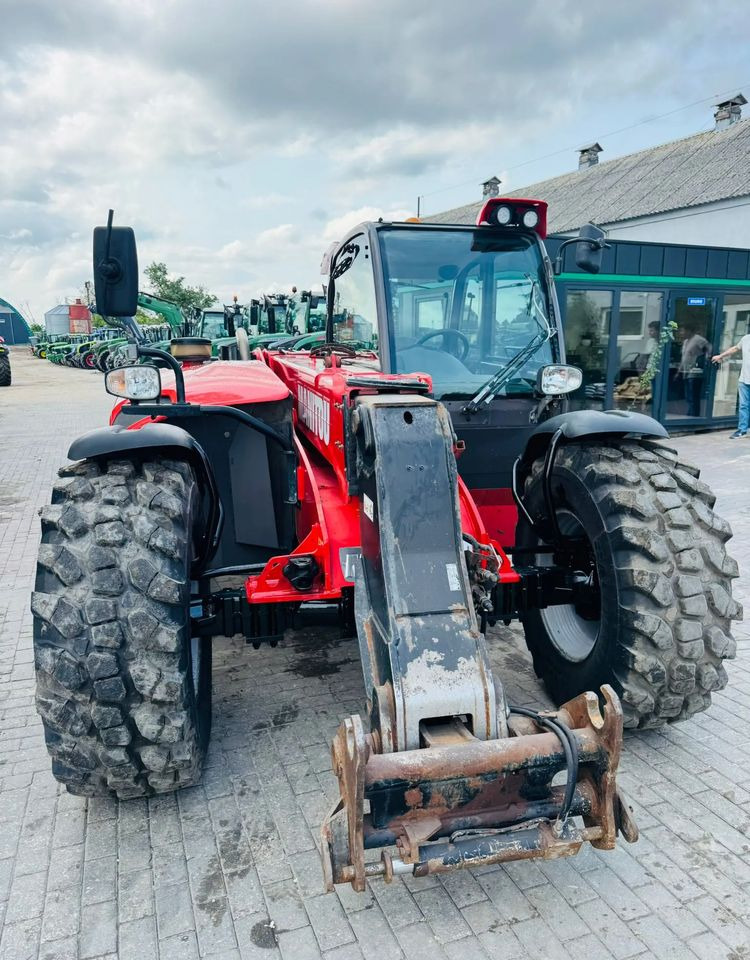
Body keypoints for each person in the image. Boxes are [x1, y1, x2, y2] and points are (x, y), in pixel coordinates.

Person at [712, 331, 750, 437]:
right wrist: (721, 356)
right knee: (743, 406)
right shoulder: (746, 338)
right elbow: (735, 348)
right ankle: (742, 430)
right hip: (744, 379)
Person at [678, 323, 710, 417]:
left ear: (689, 331)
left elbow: (709, 348)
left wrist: (707, 358)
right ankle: (690, 414)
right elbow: (684, 356)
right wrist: (679, 370)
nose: (681, 333)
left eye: (682, 330)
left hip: (695, 372)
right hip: (685, 371)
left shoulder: (698, 339)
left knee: (693, 396)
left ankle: (694, 416)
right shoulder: (685, 341)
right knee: (688, 396)